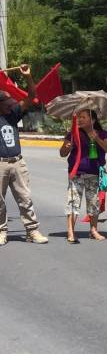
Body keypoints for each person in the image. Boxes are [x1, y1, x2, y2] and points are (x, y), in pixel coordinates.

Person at [0, 66, 50, 246]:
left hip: (17, 162)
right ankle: (1, 231)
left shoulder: (13, 115)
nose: (11, 104)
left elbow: (31, 97)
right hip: (0, 165)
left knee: (25, 198)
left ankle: (32, 231)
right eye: (7, 102)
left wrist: (28, 77)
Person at [58, 108, 107, 243]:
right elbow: (62, 153)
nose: (79, 119)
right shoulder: (73, 134)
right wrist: (67, 146)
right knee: (73, 202)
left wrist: (96, 138)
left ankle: (93, 230)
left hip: (94, 173)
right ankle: (71, 232)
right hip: (76, 173)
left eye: (83, 117)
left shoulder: (102, 133)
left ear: (93, 120)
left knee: (93, 203)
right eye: (78, 117)